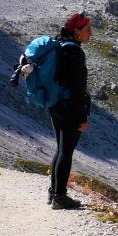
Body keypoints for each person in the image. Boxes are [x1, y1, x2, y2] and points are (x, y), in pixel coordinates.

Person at [48, 12, 92, 209]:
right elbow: (77, 89)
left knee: (60, 150)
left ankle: (53, 193)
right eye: (87, 30)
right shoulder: (75, 52)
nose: (90, 34)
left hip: (55, 104)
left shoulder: (60, 47)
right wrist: (82, 117)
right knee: (66, 153)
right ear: (77, 31)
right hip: (69, 109)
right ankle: (60, 197)